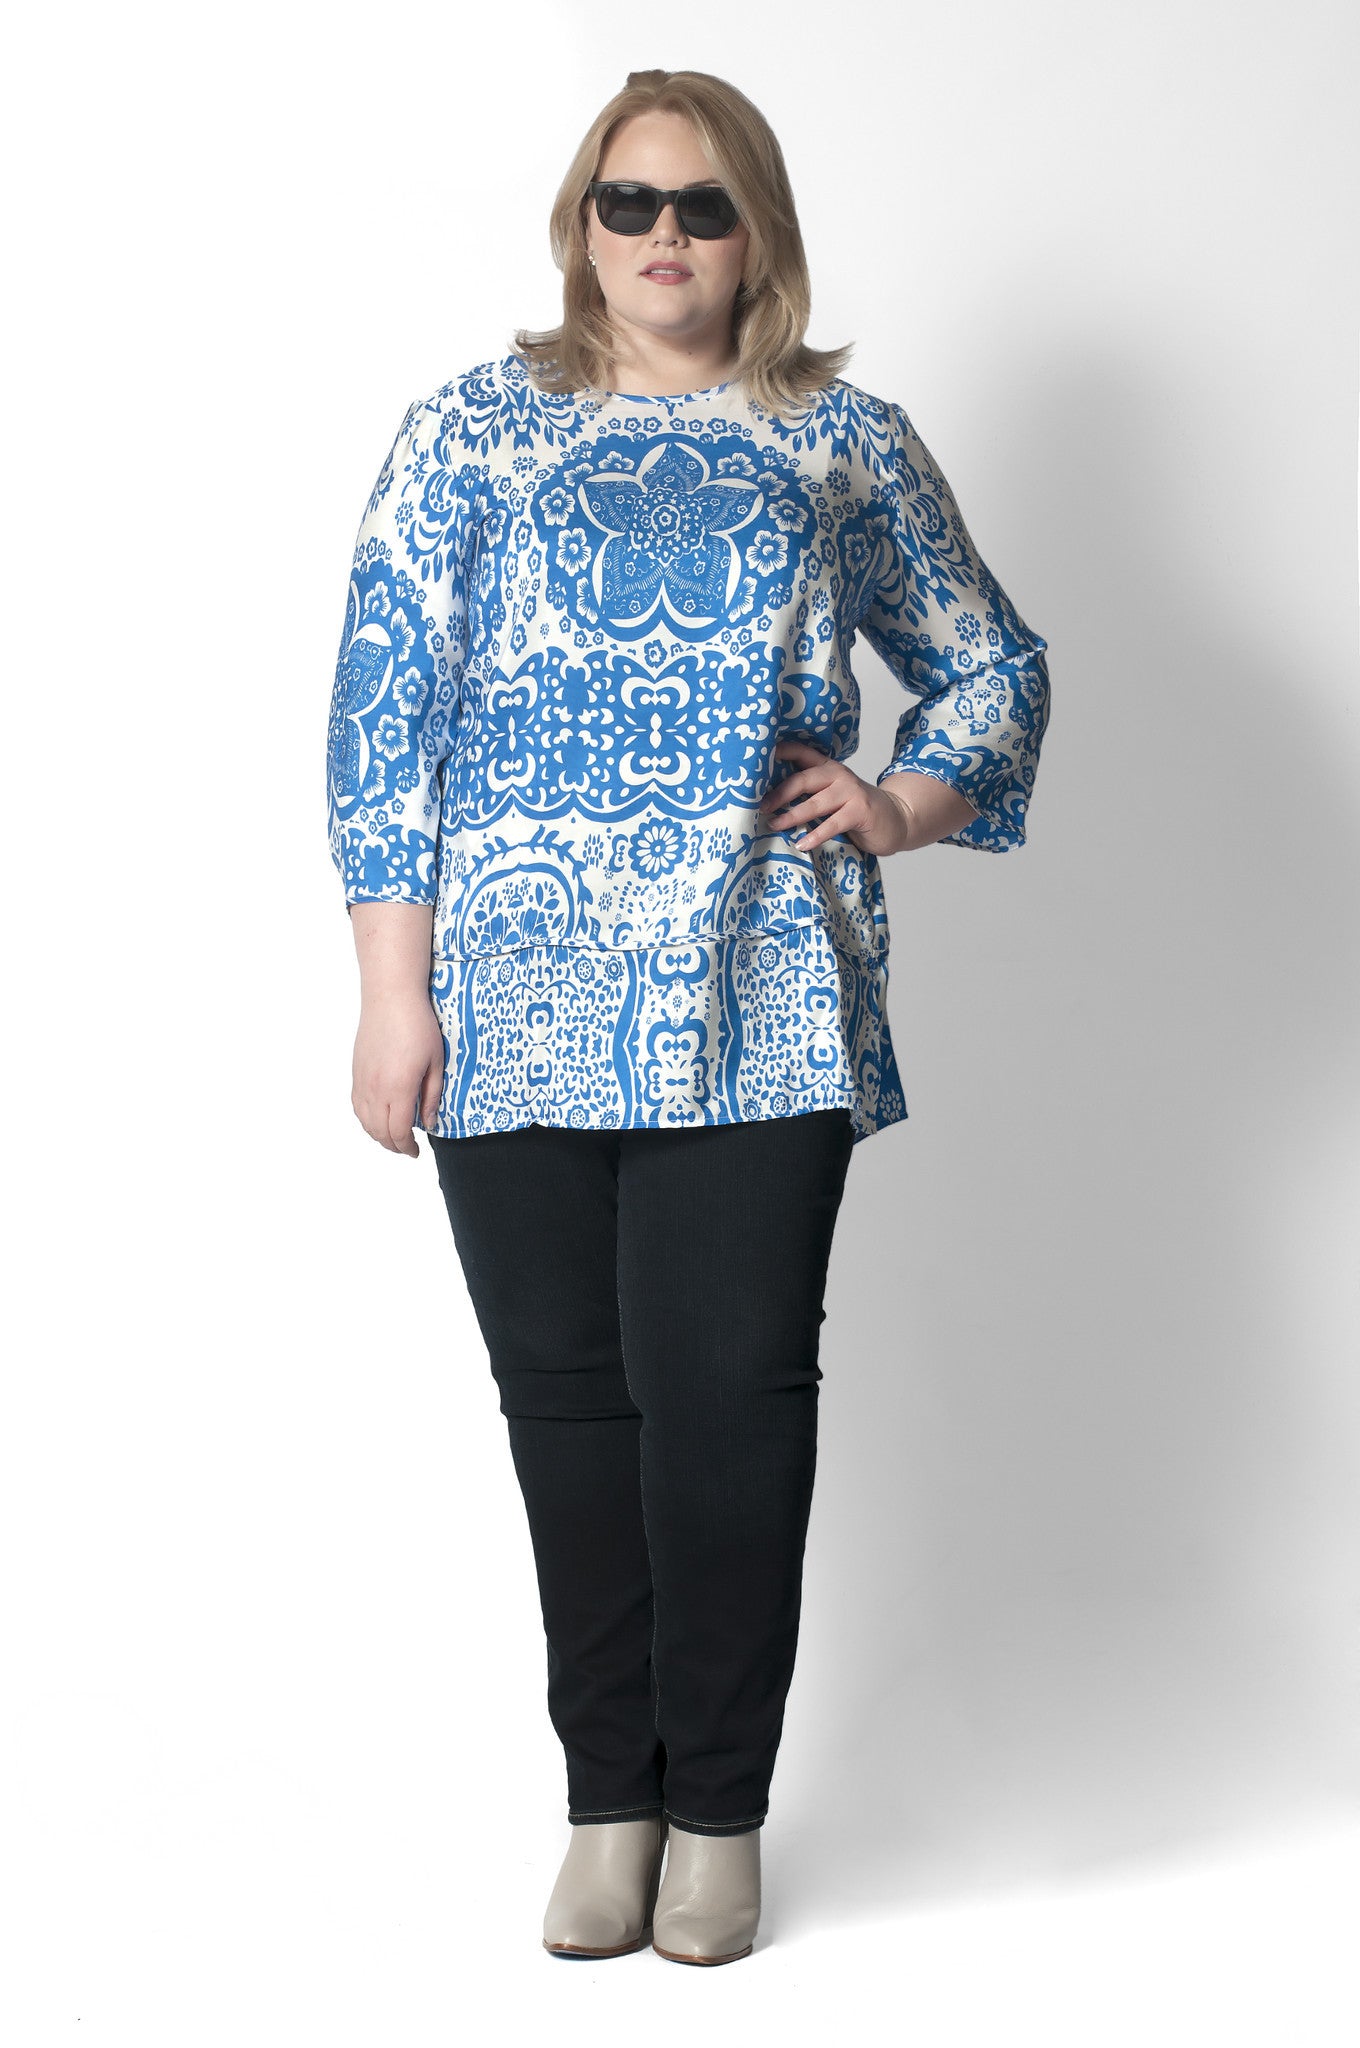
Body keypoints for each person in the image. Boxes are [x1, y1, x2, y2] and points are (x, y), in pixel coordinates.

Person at [324, 67, 1051, 1967]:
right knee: (570, 1408)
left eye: (705, 207)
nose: (665, 238)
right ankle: (608, 1801)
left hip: (760, 987)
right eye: (630, 202)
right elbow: (385, 714)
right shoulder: (468, 434)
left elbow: (990, 662)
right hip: (510, 994)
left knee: (725, 1404)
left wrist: (899, 804)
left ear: (760, 236)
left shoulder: (843, 442)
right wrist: (393, 992)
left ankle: (718, 1809)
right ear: (582, 225)